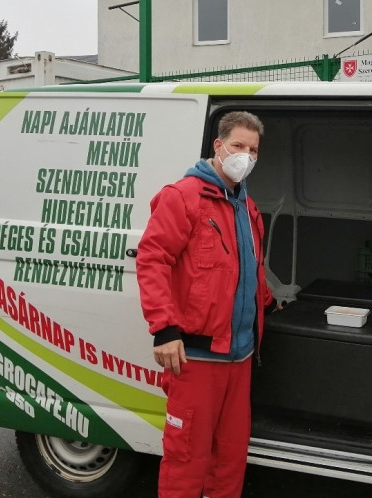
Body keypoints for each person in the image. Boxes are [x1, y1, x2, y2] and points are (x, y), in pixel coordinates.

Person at [136, 111, 275, 498]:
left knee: (229, 459)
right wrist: (163, 330)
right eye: (237, 146)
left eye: (253, 150)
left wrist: (270, 303)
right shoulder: (184, 196)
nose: (244, 156)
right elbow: (152, 260)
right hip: (197, 358)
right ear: (218, 146)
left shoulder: (246, 206)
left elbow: (247, 269)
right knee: (186, 459)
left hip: (240, 356)